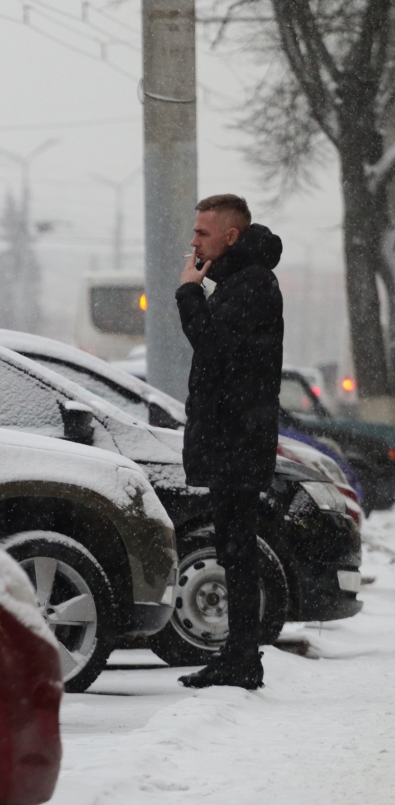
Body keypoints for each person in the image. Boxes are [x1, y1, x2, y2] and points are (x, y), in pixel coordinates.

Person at [174, 193, 284, 690]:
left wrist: (188, 293)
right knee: (232, 548)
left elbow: (216, 351)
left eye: (202, 233)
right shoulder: (240, 281)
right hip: (233, 438)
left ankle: (242, 658)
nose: (194, 240)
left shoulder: (252, 284)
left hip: (238, 439)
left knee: (237, 551)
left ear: (230, 236)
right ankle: (238, 655)